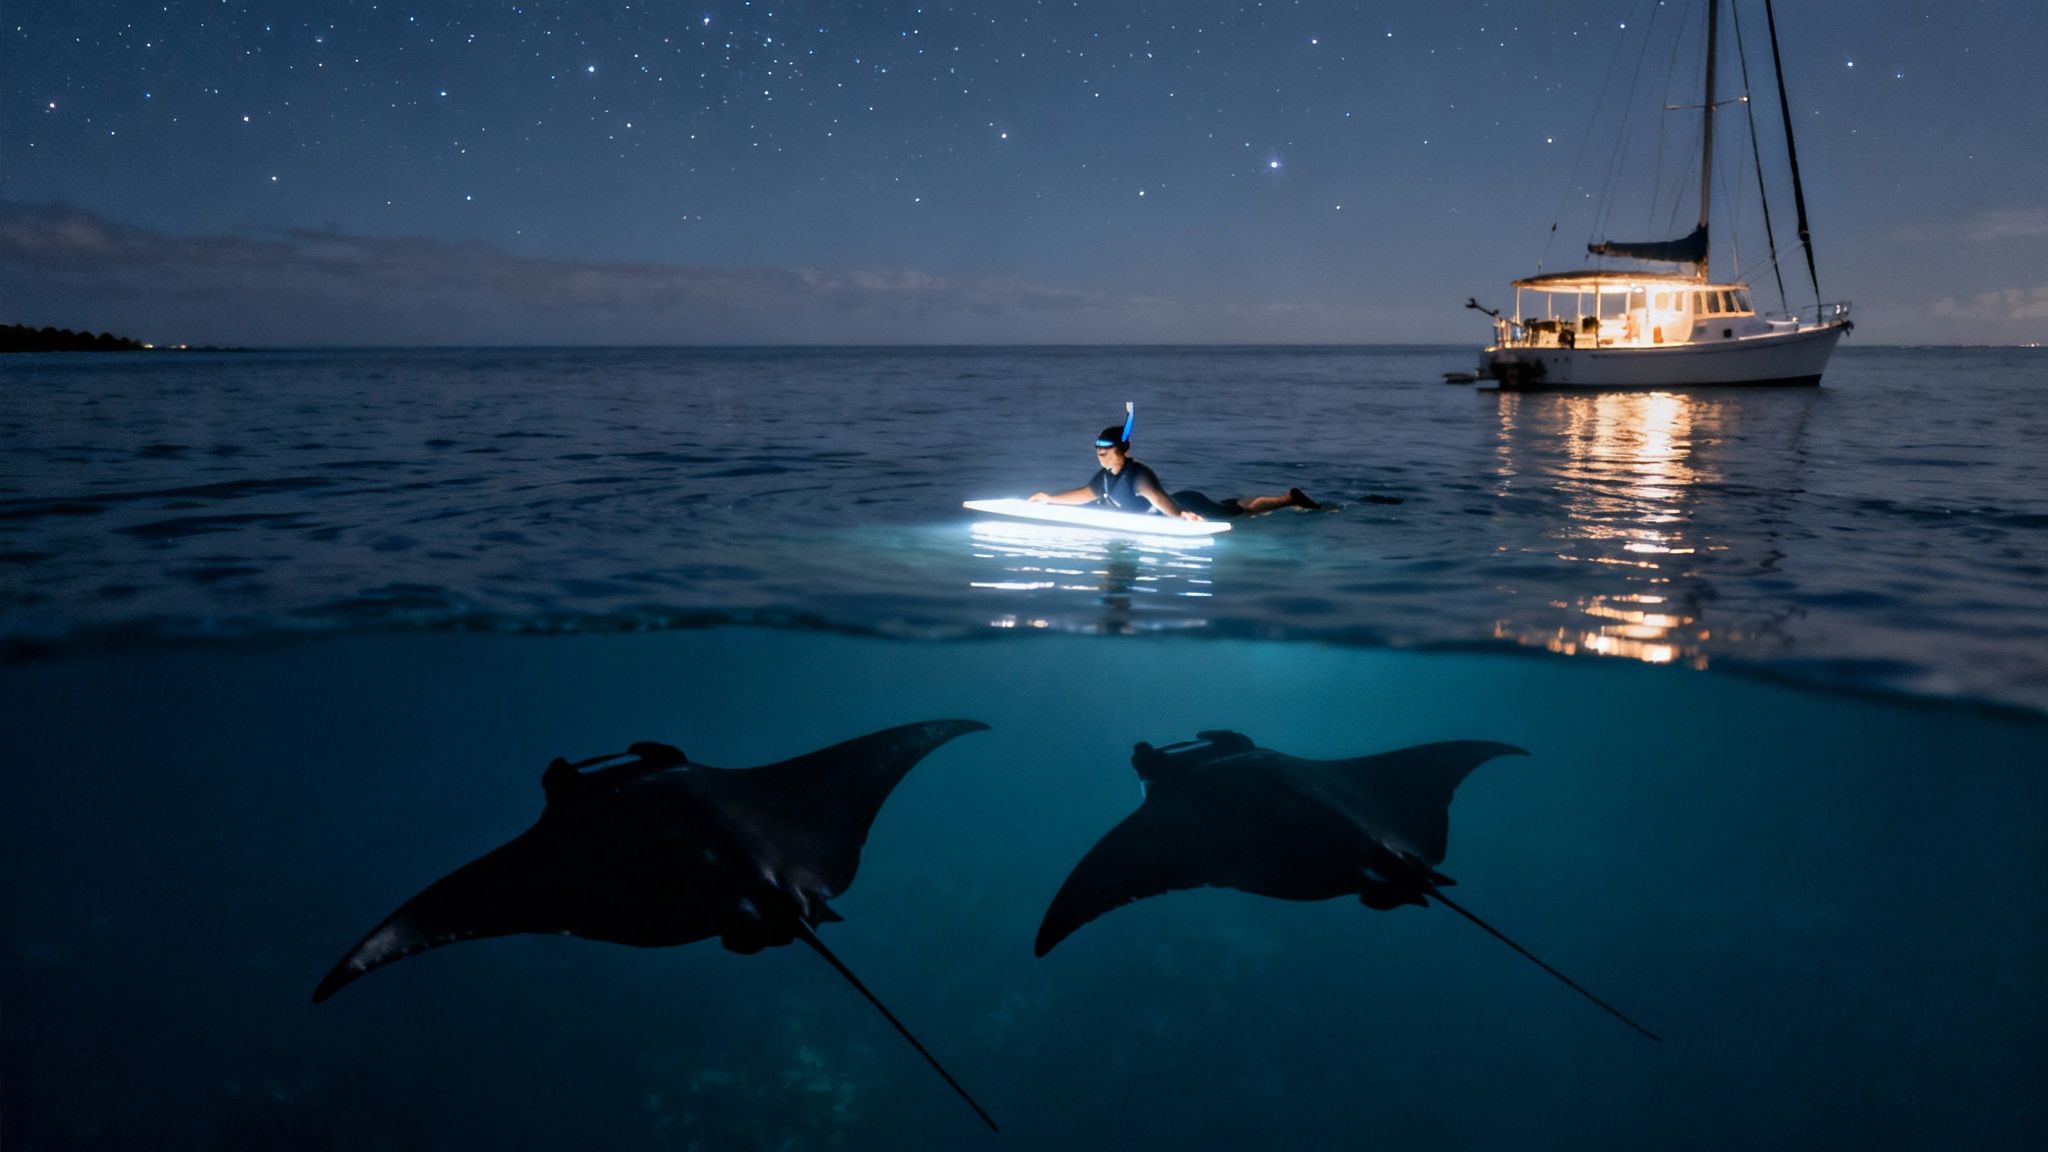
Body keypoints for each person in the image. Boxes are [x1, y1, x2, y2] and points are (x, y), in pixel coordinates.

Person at [1028, 422, 1320, 521]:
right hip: (1180, 501)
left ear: (1123, 449)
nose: (1100, 456)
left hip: (1186, 504)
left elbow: (1156, 498)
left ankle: (1288, 499)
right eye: (1097, 452)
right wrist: (1050, 498)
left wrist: (1180, 516)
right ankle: (1282, 498)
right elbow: (1086, 493)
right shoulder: (1105, 476)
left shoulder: (1137, 474)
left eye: (1106, 451)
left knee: (1239, 513)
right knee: (1232, 504)